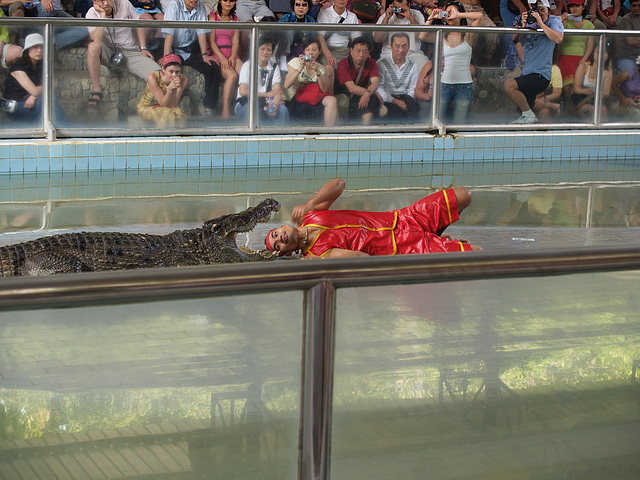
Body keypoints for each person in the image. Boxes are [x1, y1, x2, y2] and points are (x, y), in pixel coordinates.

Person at [264, 178, 482, 258]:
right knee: (477, 255)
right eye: (277, 246)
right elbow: (361, 258)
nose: (279, 239)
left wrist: (310, 203)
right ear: (287, 252)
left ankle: (437, 233)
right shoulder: (318, 254)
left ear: (282, 225)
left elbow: (339, 184)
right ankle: (435, 240)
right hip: (407, 246)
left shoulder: (312, 215)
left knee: (464, 195)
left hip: (404, 218)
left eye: (275, 234)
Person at [85, 0, 159, 108]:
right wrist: (102, 15)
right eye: (101, 0)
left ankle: (154, 105)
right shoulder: (91, 13)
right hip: (108, 51)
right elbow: (97, 39)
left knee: (157, 73)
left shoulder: (124, 3)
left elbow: (138, 24)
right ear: (94, 1)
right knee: (93, 47)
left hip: (130, 50)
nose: (106, 3)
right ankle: (97, 90)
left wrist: (143, 48)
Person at [503, 0, 564, 124]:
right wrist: (523, 25)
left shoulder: (553, 21)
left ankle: (528, 115)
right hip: (527, 72)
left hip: (541, 75)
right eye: (537, 10)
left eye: (543, 10)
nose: (539, 14)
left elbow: (558, 38)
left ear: (548, 10)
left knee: (509, 85)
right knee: (524, 114)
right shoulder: (528, 21)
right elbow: (515, 40)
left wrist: (541, 24)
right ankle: (528, 119)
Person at [422, 1, 482, 123]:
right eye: (446, 12)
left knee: (459, 122)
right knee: (437, 121)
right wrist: (431, 18)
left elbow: (479, 16)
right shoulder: (442, 33)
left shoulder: (467, 34)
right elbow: (422, 36)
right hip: (445, 84)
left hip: (464, 85)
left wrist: (458, 15)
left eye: (451, 12)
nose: (449, 15)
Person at [162, 0, 221, 115]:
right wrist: (167, 58)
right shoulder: (174, 5)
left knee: (212, 67)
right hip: (175, 49)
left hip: (191, 49)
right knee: (172, 71)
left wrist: (204, 54)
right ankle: (173, 106)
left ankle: (209, 106)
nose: (193, 0)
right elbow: (169, 33)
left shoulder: (200, 5)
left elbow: (201, 31)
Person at [3, 33, 65, 122]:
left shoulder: (41, 64)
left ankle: (54, 128)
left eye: (42, 47)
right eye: (35, 47)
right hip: (16, 105)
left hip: (31, 100)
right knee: (49, 101)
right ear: (27, 50)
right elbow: (37, 90)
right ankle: (62, 127)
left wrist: (34, 97)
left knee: (49, 101)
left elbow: (53, 83)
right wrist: (36, 93)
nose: (39, 50)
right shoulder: (18, 67)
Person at [235, 35, 289, 124]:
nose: (265, 52)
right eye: (262, 49)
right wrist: (266, 94)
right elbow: (243, 92)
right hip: (246, 103)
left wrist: (274, 106)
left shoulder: (275, 67)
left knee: (283, 110)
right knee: (254, 111)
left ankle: (279, 137)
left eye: (269, 50)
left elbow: (277, 91)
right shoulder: (247, 65)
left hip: (266, 102)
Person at [283, 37, 338, 125]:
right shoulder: (296, 62)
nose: (311, 52)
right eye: (307, 50)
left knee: (332, 100)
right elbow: (286, 85)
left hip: (310, 100)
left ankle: (329, 133)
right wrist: (300, 68)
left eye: (314, 50)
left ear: (319, 51)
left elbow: (324, 89)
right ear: (304, 52)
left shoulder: (320, 67)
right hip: (294, 100)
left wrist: (317, 72)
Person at [335, 36, 381, 124]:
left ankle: (366, 129)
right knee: (372, 98)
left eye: (365, 51)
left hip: (362, 95)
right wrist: (370, 92)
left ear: (369, 53)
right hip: (347, 96)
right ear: (351, 51)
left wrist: (368, 94)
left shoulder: (371, 62)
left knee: (372, 99)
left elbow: (375, 82)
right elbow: (351, 88)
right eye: (358, 51)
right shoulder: (343, 63)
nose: (361, 54)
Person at [317, 0, 360, 93]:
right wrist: (328, 55)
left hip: (345, 51)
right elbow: (320, 37)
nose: (341, 1)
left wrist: (353, 55)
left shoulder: (352, 17)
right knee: (329, 69)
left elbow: (355, 40)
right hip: (328, 50)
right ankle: (330, 97)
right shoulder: (324, 14)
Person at [208, 0, 242, 118]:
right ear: (220, 1)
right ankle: (226, 109)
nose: (228, 2)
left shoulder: (235, 19)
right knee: (232, 75)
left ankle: (244, 105)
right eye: (225, 0)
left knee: (245, 72)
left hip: (232, 53)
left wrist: (233, 56)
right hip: (218, 54)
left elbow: (235, 40)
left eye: (231, 0)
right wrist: (222, 58)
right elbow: (211, 41)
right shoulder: (212, 17)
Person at [376, 32, 420, 120]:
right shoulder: (381, 63)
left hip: (406, 97)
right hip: (387, 99)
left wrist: (407, 99)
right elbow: (378, 87)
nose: (401, 50)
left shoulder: (413, 65)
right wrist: (394, 100)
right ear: (391, 46)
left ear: (408, 47)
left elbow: (413, 88)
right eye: (397, 46)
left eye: (404, 46)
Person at [375, 0, 428, 70]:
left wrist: (410, 17)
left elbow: (421, 36)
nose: (399, 11)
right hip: (390, 54)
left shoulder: (416, 14)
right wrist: (387, 18)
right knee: (379, 65)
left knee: (425, 64)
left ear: (409, 5)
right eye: (397, 8)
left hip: (412, 54)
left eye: (402, 8)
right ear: (392, 5)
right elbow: (377, 39)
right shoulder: (386, 16)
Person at [137, 53, 187, 127]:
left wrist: (175, 89)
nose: (174, 75)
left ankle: (179, 136)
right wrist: (170, 89)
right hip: (146, 107)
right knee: (166, 113)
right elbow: (163, 104)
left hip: (167, 106)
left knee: (179, 112)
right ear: (163, 69)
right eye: (171, 71)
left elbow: (173, 104)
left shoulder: (182, 79)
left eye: (177, 72)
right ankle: (162, 135)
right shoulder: (153, 77)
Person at [558, 0, 594, 98]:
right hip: (566, 57)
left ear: (583, 7)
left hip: (583, 58)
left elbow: (590, 45)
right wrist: (563, 20)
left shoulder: (589, 25)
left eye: (577, 6)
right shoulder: (567, 22)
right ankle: (567, 105)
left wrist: (584, 58)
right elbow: (559, 36)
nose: (574, 9)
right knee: (568, 86)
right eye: (572, 6)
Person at [571, 41, 613, 117]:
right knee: (589, 109)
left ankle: (602, 129)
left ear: (608, 56)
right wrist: (586, 91)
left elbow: (606, 93)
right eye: (597, 52)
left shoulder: (608, 72)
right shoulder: (583, 66)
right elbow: (576, 89)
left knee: (603, 110)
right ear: (593, 52)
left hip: (597, 99)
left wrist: (596, 92)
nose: (600, 55)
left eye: (604, 53)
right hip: (581, 99)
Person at [611, 55, 640, 119]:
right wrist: (623, 98)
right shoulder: (629, 73)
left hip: (636, 101)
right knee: (637, 114)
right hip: (622, 99)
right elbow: (613, 84)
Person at [616, 0, 640, 73]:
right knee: (633, 74)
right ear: (630, 6)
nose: (637, 8)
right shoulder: (626, 19)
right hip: (628, 58)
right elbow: (631, 41)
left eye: (639, 5)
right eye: (634, 5)